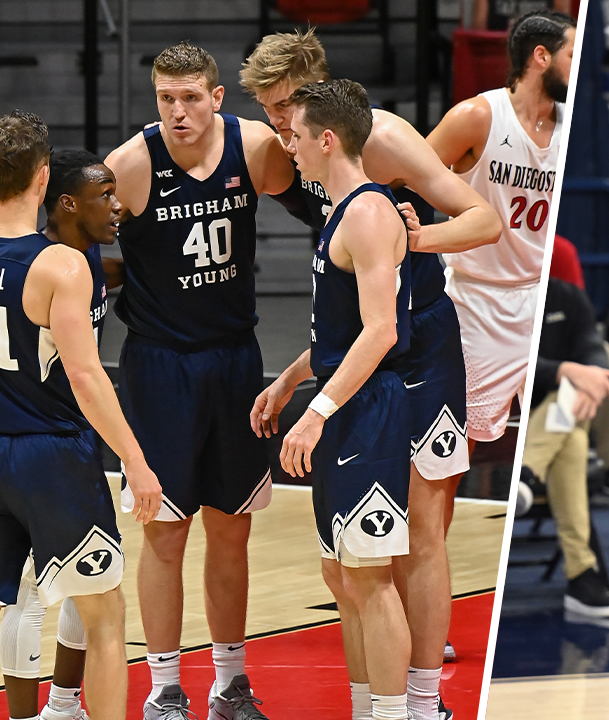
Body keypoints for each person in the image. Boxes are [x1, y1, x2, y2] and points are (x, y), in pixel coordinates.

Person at [239, 29, 502, 720]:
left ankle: (423, 701)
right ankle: (386, 698)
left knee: (421, 528)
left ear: (315, 91)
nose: (277, 123)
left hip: (419, 350)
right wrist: (300, 372)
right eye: (267, 110)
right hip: (364, 349)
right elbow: (344, 306)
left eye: (284, 105)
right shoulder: (292, 155)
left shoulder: (380, 139)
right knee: (355, 560)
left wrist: (418, 238)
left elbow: (484, 219)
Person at [0, 111, 162, 720]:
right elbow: (87, 377)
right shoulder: (59, 266)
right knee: (104, 618)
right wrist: (136, 460)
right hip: (50, 457)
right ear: (44, 178)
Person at [102, 40, 295, 718]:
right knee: (165, 531)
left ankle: (231, 682)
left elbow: (327, 205)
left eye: (190, 97)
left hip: (234, 360)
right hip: (160, 366)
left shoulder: (258, 148)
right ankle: (162, 688)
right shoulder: (128, 167)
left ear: (217, 97)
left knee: (232, 529)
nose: (178, 111)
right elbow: (72, 247)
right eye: (165, 99)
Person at [254, 79, 413, 720]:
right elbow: (339, 330)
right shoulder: (339, 211)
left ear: (326, 139)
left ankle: (395, 713)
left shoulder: (370, 213)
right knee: (340, 577)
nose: (287, 146)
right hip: (339, 398)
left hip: (366, 408)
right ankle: (362, 707)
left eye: (295, 136)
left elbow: (382, 331)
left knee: (371, 579)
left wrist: (315, 414)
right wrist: (293, 379)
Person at [0, 149, 125, 720]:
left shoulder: (90, 258)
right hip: (33, 439)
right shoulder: (38, 262)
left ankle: (65, 704)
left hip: (73, 440)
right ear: (67, 203)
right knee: (28, 589)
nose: (119, 207)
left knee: (88, 582)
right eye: (106, 196)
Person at [428, 7, 573, 506]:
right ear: (541, 57)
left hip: (539, 299)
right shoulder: (478, 116)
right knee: (450, 460)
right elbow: (409, 173)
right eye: (572, 55)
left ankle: (569, 547)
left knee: (573, 412)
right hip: (477, 303)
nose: (577, 66)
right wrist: (420, 235)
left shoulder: (568, 126)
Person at [523, 277, 609, 618]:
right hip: (512, 414)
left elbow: (592, 344)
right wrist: (567, 370)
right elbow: (509, 367)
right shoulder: (509, 295)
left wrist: (589, 377)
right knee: (572, 430)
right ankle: (582, 574)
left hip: (555, 416)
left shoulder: (568, 297)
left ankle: (527, 472)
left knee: (571, 411)